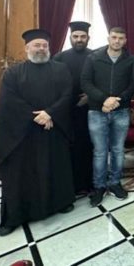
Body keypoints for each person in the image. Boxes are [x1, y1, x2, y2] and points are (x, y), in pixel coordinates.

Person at [0, 29, 75, 236]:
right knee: (19, 174)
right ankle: (13, 217)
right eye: (37, 45)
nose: (41, 49)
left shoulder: (61, 69)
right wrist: (37, 117)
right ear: (27, 48)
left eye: (44, 45)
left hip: (53, 130)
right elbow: (9, 101)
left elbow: (68, 94)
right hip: (23, 135)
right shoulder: (13, 73)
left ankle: (60, 203)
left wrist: (50, 113)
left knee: (56, 168)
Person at [81, 27, 134, 207]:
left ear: (125, 40)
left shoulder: (131, 60)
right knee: (100, 151)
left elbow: (133, 84)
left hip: (121, 110)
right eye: (114, 37)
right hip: (97, 111)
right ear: (108, 38)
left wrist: (117, 100)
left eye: (121, 38)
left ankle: (115, 183)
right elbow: (85, 82)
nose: (117, 41)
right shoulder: (93, 58)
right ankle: (99, 186)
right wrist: (104, 99)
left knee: (118, 150)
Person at [53, 21, 94, 195]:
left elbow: (102, 80)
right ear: (70, 37)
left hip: (90, 109)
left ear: (88, 38)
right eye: (76, 36)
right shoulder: (59, 58)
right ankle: (70, 184)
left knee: (88, 146)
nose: (79, 39)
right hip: (66, 111)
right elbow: (53, 84)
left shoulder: (95, 56)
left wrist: (90, 96)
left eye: (82, 36)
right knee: (68, 147)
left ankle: (89, 183)